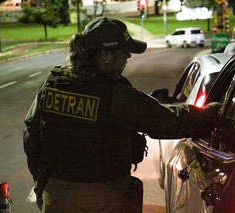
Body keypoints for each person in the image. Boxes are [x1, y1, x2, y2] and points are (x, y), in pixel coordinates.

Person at [23, 17, 221, 213]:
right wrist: (212, 111)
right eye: (124, 52)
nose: (128, 57)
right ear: (106, 55)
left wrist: (43, 185)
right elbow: (169, 121)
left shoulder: (53, 84)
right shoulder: (114, 94)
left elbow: (31, 136)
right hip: (102, 198)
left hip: (57, 196)